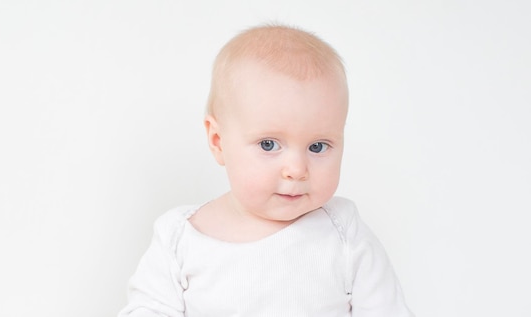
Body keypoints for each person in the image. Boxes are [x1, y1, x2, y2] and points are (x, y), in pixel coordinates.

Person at [118, 23, 414, 316]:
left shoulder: (344, 233)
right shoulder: (181, 238)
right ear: (218, 141)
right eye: (269, 145)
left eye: (318, 146)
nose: (297, 170)